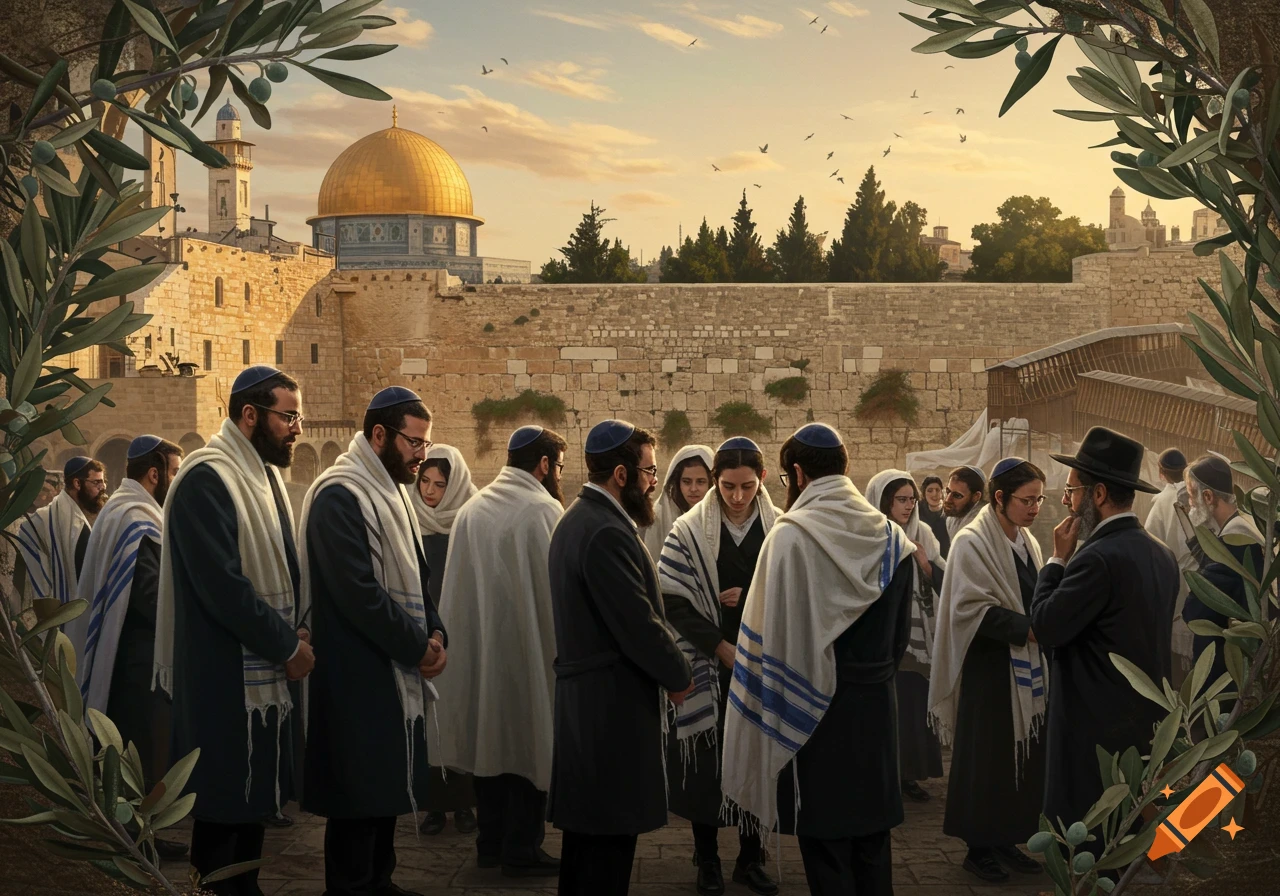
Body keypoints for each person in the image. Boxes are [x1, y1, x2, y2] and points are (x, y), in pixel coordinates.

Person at [722, 423, 915, 896]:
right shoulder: (893, 540)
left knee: (826, 849)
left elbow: (771, 638)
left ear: (798, 474)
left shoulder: (789, 539)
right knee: (873, 842)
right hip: (874, 710)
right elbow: (898, 642)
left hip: (812, 715)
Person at [155, 366, 315, 896]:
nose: (297, 427)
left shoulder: (262, 475)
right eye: (288, 416)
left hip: (256, 676)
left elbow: (283, 566)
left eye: (299, 416)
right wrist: (286, 644)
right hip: (222, 677)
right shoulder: (208, 476)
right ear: (250, 415)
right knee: (223, 808)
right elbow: (222, 586)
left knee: (250, 806)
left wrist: (297, 629)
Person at [300, 386, 448, 896]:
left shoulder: (391, 492)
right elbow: (357, 592)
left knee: (385, 785)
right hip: (355, 671)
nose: (421, 455)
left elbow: (418, 575)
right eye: (414, 443)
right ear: (379, 435)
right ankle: (350, 885)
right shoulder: (340, 493)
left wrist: (435, 630)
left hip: (391, 665)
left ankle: (379, 879)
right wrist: (416, 647)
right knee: (356, 793)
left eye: (426, 444)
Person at [548, 420, 693, 896]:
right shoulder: (605, 530)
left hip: (590, 706)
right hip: (608, 710)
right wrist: (677, 673)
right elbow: (638, 623)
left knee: (588, 841)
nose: (655, 480)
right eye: (649, 470)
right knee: (606, 846)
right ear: (621, 474)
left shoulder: (582, 518)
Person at [1031, 427, 1178, 847]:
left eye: (1071, 491)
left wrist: (1056, 561)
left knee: (1089, 846)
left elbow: (1046, 626)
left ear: (1097, 495)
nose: (1066, 502)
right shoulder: (1160, 554)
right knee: (1130, 844)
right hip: (1143, 726)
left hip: (1092, 732)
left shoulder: (1095, 557)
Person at [434, 424, 566, 877]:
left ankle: (489, 844)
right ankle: (522, 848)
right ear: (544, 465)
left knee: (489, 745)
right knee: (530, 744)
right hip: (530, 652)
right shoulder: (544, 510)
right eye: (558, 466)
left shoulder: (472, 509)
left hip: (482, 652)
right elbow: (557, 593)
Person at [658, 437, 779, 896]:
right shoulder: (688, 531)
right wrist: (718, 644)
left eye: (747, 486)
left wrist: (748, 597)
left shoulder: (779, 528)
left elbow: (789, 590)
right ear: (715, 482)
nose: (737, 496)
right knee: (706, 767)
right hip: (709, 665)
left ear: (761, 481)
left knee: (754, 757)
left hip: (761, 664)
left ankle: (751, 857)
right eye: (727, 486)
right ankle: (706, 857)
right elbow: (671, 599)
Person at [929, 458, 1048, 883]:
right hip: (986, 669)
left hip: (1021, 665)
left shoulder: (1027, 542)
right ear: (999, 498)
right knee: (985, 760)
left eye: (1039, 499)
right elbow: (967, 608)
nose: (1034, 508)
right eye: (1026, 500)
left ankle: (1007, 838)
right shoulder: (972, 542)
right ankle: (977, 848)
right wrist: (1025, 628)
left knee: (1020, 757)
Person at [76, 436, 187, 862]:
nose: (175, 482)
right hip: (138, 657)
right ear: (154, 474)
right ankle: (139, 840)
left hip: (123, 651)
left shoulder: (122, 508)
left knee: (129, 749)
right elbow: (147, 595)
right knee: (140, 750)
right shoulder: (137, 517)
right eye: (173, 473)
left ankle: (138, 834)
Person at [410, 444, 479, 837]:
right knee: (428, 720)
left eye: (440, 484)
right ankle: (434, 806)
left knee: (459, 715)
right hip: (422, 631)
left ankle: (465, 803)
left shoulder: (469, 518)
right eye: (425, 482)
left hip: (460, 630)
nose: (431, 492)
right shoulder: (407, 516)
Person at [865, 470, 944, 806]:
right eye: (901, 499)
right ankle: (881, 777)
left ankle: (909, 775)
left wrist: (924, 563)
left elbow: (944, 577)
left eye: (912, 499)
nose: (909, 505)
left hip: (917, 640)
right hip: (880, 638)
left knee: (913, 708)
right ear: (883, 500)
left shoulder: (922, 532)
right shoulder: (868, 535)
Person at [1182, 454, 1264, 693]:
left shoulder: (1233, 541)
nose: (1190, 505)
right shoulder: (1242, 530)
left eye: (1191, 495)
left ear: (1208, 497)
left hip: (1227, 670)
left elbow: (1195, 611)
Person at [17, 456, 106, 655]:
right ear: (77, 483)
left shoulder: (58, 516)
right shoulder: (73, 524)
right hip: (69, 620)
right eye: (97, 482)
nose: (103, 487)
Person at [1144, 448, 1196, 684]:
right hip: (1200, 585)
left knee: (1174, 664)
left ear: (1161, 472)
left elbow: (1150, 549)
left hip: (1172, 582)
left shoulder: (1162, 502)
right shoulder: (1197, 495)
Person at [642, 444, 713, 561]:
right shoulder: (660, 517)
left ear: (711, 483)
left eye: (700, 482)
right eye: (687, 482)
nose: (693, 489)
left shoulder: (722, 516)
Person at [944, 465, 985, 541]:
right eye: (948, 491)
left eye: (957, 495)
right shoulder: (952, 518)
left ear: (976, 496)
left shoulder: (979, 523)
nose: (948, 500)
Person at [918, 474, 951, 557]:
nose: (934, 494)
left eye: (937, 490)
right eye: (930, 490)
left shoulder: (949, 511)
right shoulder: (918, 511)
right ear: (924, 493)